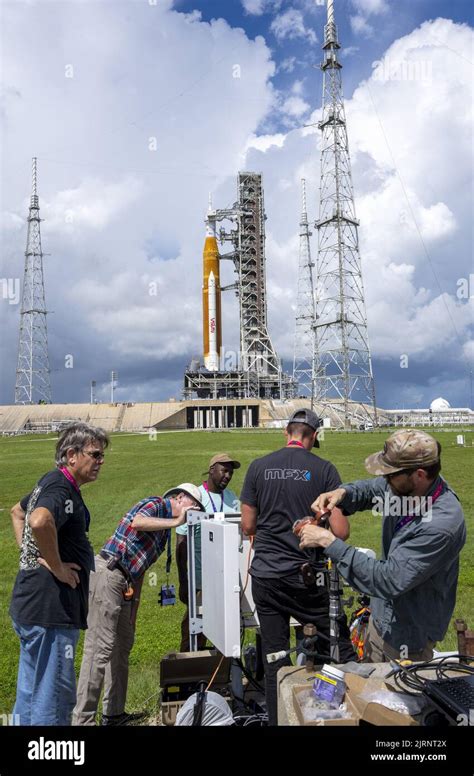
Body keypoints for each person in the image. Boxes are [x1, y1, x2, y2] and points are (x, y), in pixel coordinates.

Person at [298, 429, 466, 663]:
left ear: (419, 474)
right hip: (382, 622)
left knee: (396, 698)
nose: (386, 479)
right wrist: (342, 493)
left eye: (391, 474)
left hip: (408, 639)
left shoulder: (441, 524)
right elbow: (374, 489)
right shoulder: (411, 486)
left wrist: (329, 542)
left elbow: (387, 580)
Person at [240, 409, 355, 726]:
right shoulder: (324, 470)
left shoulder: (258, 467)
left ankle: (280, 719)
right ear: (314, 436)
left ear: (286, 433)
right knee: (335, 647)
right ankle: (330, 715)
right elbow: (341, 532)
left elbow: (248, 524)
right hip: (308, 577)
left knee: (275, 655)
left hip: (266, 576)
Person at [72, 482, 204, 726]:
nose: (194, 511)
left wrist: (135, 606)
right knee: (99, 649)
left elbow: (141, 569)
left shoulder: (165, 531)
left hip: (125, 583)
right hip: (109, 574)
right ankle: (83, 719)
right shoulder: (155, 504)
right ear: (180, 498)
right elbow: (138, 522)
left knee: (122, 645)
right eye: (194, 505)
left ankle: (114, 714)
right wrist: (176, 522)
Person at [9, 422, 109, 726]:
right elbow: (38, 520)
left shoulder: (51, 482)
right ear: (71, 455)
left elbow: (18, 511)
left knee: (31, 692)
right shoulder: (60, 487)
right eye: (95, 454)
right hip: (51, 612)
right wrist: (55, 565)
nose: (101, 461)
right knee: (53, 698)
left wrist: (28, 553)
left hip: (32, 607)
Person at [176, 453, 241, 651]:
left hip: (227, 578)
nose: (228, 476)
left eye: (230, 472)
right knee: (194, 628)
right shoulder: (196, 496)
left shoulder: (231, 498)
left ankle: (220, 675)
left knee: (227, 629)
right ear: (212, 469)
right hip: (200, 579)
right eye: (224, 470)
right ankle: (189, 673)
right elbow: (181, 542)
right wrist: (183, 580)